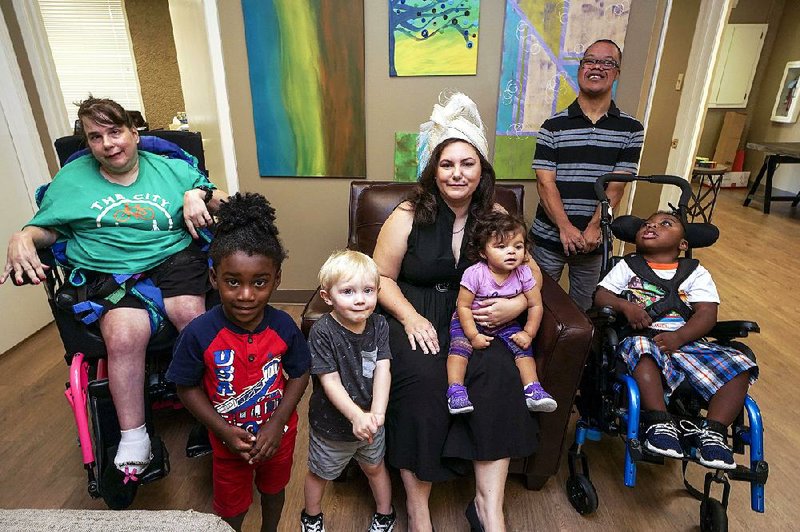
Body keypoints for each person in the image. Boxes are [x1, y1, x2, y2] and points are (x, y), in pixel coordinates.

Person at [0, 97, 225, 482]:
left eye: (116, 131)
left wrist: (199, 194)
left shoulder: (171, 169)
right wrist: (22, 236)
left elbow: (225, 202)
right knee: (124, 334)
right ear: (88, 144)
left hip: (174, 259)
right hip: (111, 272)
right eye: (96, 137)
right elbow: (50, 228)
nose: (108, 144)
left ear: (134, 133)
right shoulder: (71, 181)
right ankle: (134, 436)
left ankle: (210, 415)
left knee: (191, 316)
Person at [373, 92, 539, 532]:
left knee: (500, 376)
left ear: (481, 169)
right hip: (418, 311)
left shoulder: (497, 214)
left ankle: (488, 509)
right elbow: (380, 278)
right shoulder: (407, 214)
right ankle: (419, 509)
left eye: (467, 163)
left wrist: (516, 304)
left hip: (477, 317)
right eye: (447, 164)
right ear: (433, 170)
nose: (457, 173)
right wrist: (409, 317)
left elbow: (531, 276)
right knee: (423, 381)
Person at [167, 192, 310, 532]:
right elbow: (185, 386)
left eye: (259, 283)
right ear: (214, 279)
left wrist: (277, 424)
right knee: (231, 508)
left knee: (274, 491)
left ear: (276, 279)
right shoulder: (200, 333)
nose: (246, 295)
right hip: (228, 443)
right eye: (233, 282)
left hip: (278, 437)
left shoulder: (284, 327)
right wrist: (223, 431)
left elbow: (300, 373)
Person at [594, 211, 758, 470]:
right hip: (644, 339)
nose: (651, 226)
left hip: (687, 342)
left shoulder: (695, 272)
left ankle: (713, 433)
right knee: (639, 348)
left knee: (741, 363)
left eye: (665, 224)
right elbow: (602, 296)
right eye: (647, 224)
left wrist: (680, 337)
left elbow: (707, 314)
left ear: (683, 244)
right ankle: (660, 423)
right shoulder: (628, 266)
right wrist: (625, 306)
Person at [531, 39, 644, 310]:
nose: (597, 67)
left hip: (595, 240)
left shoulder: (631, 129)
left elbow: (617, 185)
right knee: (539, 305)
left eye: (607, 62)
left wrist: (594, 227)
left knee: (584, 311)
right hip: (548, 237)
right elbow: (545, 183)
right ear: (581, 68)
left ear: (617, 72)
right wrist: (564, 227)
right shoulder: (552, 126)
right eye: (590, 60)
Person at [301, 250, 395, 532]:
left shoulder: (379, 324)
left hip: (371, 423)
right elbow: (329, 381)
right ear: (327, 296)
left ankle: (385, 514)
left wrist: (376, 413)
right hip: (331, 426)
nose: (360, 299)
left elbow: (382, 369)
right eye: (348, 291)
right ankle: (312, 516)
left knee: (375, 468)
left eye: (368, 290)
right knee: (319, 474)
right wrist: (356, 415)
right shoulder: (322, 331)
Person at [446, 211, 556, 415]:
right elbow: (462, 306)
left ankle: (533, 389)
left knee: (523, 350)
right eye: (501, 247)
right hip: (471, 320)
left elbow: (535, 305)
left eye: (518, 246)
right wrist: (473, 335)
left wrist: (528, 333)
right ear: (483, 252)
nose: (512, 252)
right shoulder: (475, 273)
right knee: (459, 349)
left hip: (506, 322)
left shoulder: (524, 272)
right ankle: (456, 390)